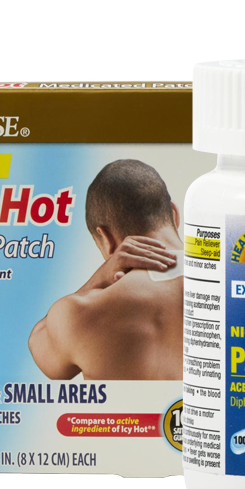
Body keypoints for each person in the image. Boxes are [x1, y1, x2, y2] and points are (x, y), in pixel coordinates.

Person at [29, 160, 183, 380]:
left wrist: (100, 276)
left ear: (106, 238)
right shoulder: (228, 281)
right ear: (174, 215)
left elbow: (39, 342)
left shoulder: (82, 313)